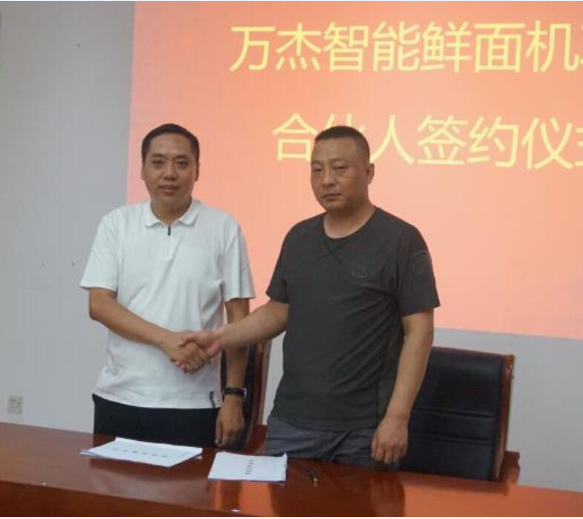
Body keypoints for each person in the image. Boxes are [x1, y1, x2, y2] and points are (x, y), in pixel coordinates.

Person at [186, 125, 440, 467]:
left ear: (369, 172)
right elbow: (278, 312)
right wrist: (219, 337)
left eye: (340, 168)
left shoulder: (401, 240)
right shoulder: (299, 237)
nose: (327, 180)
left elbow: (420, 332)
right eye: (317, 170)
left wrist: (398, 416)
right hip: (292, 421)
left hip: (365, 428)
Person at [80, 123, 255, 448]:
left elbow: (239, 319)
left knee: (192, 483)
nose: (169, 173)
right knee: (111, 483)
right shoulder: (116, 224)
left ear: (197, 170)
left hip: (195, 403)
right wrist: (166, 340)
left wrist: (233, 396)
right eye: (158, 162)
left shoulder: (223, 227)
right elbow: (99, 305)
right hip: (121, 397)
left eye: (182, 163)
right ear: (143, 170)